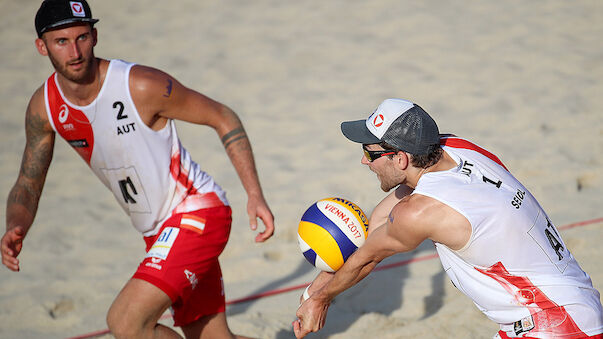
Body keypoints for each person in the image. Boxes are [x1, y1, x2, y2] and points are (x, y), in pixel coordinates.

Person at [1, 1, 275, 338]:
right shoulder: (44, 107)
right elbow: (29, 180)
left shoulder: (140, 85)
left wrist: (254, 193)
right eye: (62, 41)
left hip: (196, 214)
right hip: (156, 231)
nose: (74, 51)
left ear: (95, 36)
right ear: (41, 47)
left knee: (126, 322)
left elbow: (223, 116)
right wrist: (16, 225)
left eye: (82, 37)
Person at [293, 98, 603, 338]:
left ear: (401, 158)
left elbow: (366, 259)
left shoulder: (420, 211)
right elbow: (377, 224)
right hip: (566, 306)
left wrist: (321, 300)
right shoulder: (454, 147)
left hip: (554, 322)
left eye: (370, 152)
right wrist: (313, 293)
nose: (364, 160)